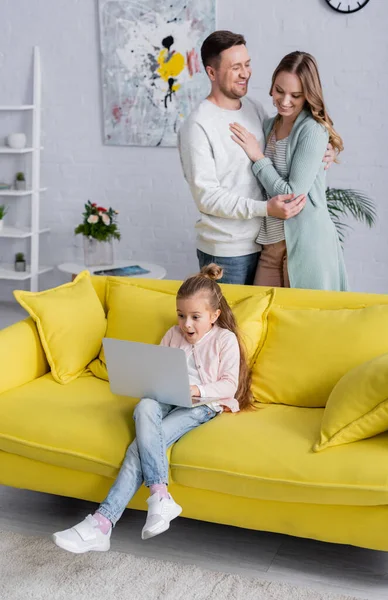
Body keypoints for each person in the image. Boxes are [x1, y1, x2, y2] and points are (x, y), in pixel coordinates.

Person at [52, 264, 251, 554]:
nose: (187, 325)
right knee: (145, 405)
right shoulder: (173, 334)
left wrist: (196, 390)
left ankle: (104, 522)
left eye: (196, 317)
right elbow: (159, 371)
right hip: (167, 397)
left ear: (214, 315)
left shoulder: (224, 339)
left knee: (138, 447)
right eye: (181, 316)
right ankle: (159, 498)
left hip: (204, 405)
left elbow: (228, 386)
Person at [178, 31, 335, 285]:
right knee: (229, 325)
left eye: (247, 64)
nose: (245, 73)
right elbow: (207, 197)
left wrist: (325, 150)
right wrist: (264, 208)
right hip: (227, 251)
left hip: (262, 242)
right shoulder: (198, 124)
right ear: (212, 73)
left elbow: (285, 148)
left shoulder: (254, 110)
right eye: (235, 67)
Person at [229, 51, 348, 291]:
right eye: (279, 90)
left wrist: (258, 157)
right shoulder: (268, 125)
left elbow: (292, 195)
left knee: (306, 321)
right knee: (260, 316)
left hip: (307, 243)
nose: (284, 101)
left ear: (308, 95)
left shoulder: (311, 130)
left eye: (296, 95)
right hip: (270, 243)